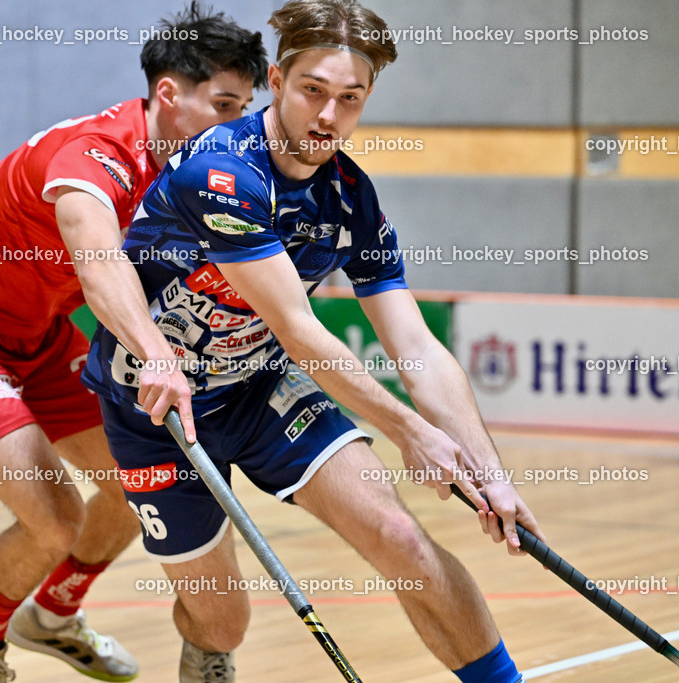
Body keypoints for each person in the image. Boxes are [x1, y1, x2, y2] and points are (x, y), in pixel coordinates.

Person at [80, 1, 546, 681]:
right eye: (313, 92)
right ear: (277, 80)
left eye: (350, 99)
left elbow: (413, 342)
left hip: (259, 387)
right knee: (223, 620)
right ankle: (206, 652)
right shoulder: (224, 171)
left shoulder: (350, 198)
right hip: (159, 411)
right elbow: (300, 330)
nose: (328, 117)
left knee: (399, 536)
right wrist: (410, 431)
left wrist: (490, 471)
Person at [0, 5, 268, 682]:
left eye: (244, 107)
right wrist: (156, 354)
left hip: (38, 337)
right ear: (168, 94)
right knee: (56, 520)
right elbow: (100, 266)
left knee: (135, 481)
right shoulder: (94, 158)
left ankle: (56, 615)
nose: (237, 124)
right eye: (223, 104)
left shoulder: (185, 171)